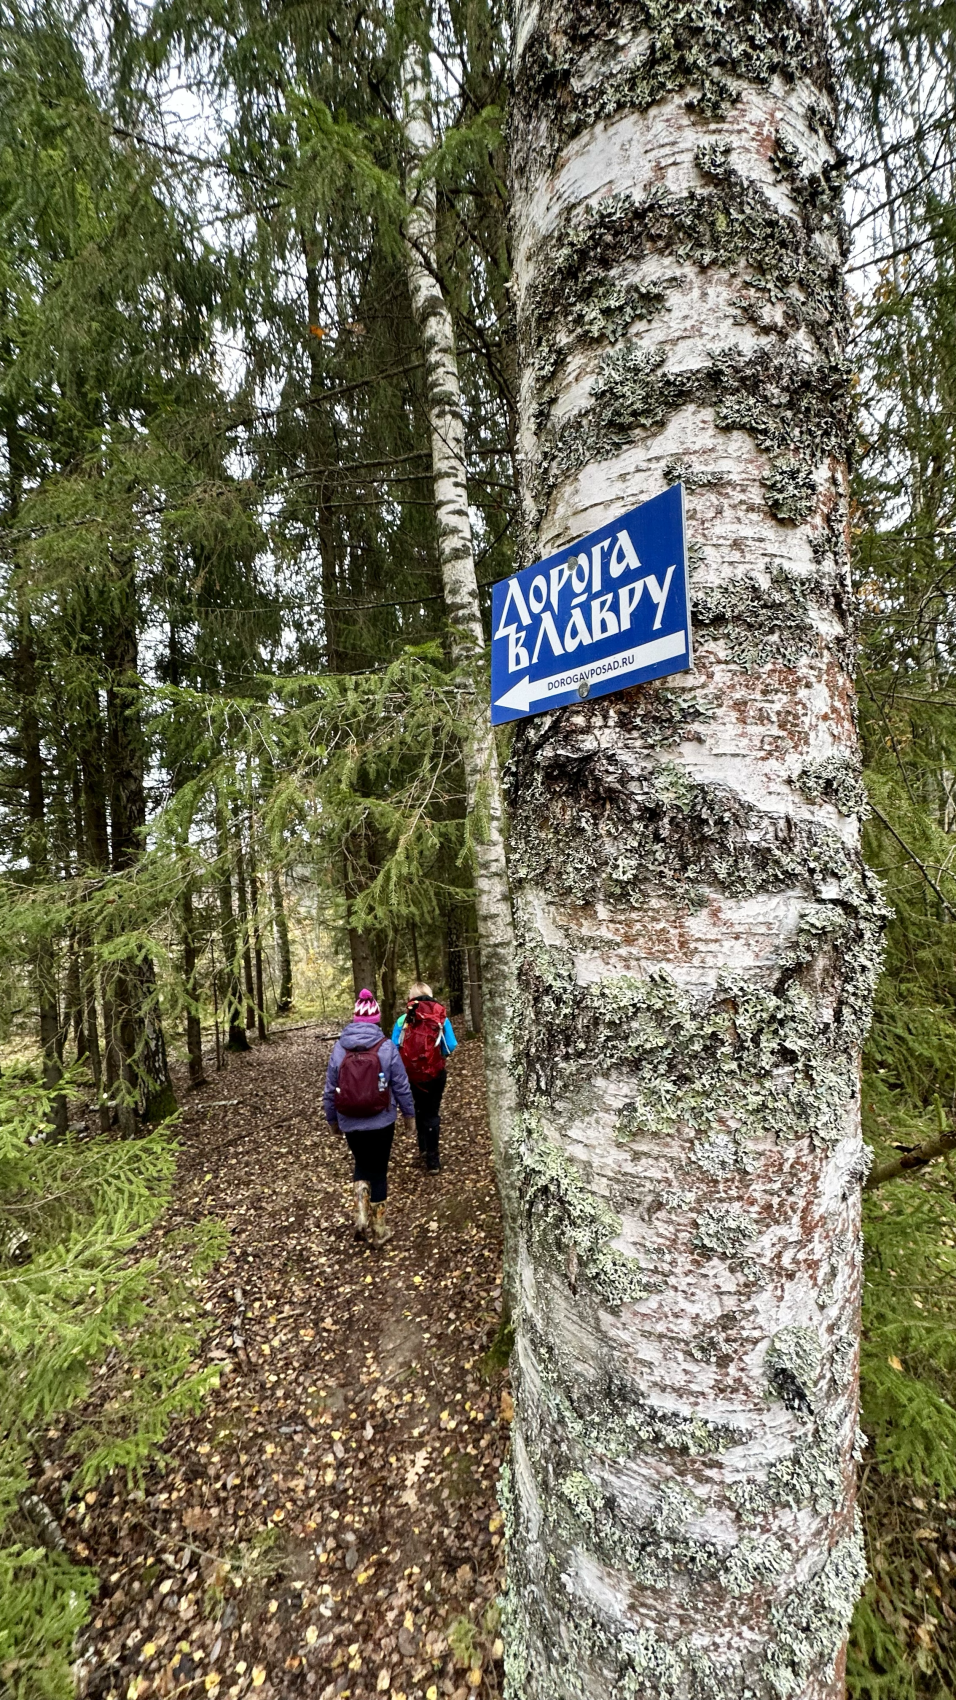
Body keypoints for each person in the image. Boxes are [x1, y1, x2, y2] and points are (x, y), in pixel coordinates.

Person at [324, 988, 415, 1245]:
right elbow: (401, 1085)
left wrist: (332, 1120)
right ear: (375, 1019)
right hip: (382, 1121)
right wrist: (409, 1116)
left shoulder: (339, 1049)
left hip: (350, 1121)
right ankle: (379, 1230)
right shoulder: (385, 1047)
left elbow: (330, 1089)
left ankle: (361, 1215)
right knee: (379, 1171)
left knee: (361, 1165)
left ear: (355, 1018)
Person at [391, 981, 457, 1172]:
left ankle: (422, 1147)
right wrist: (438, 1055)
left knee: (419, 1109)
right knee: (432, 1112)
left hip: (411, 1075)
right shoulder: (440, 1018)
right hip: (435, 1074)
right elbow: (451, 1045)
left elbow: (394, 1047)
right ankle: (433, 1159)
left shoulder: (402, 1020)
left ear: (411, 998)